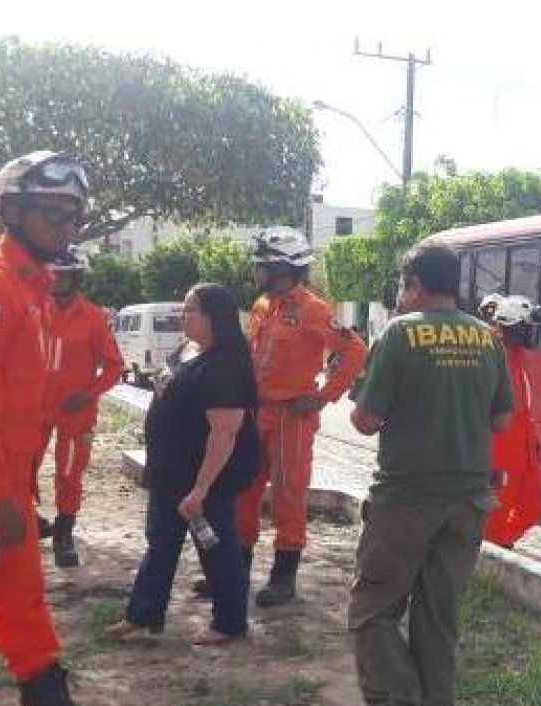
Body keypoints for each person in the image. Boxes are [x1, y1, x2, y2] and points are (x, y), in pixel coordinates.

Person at [0, 150, 133, 706]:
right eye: (53, 213)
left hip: (16, 475)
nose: (66, 228)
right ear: (12, 210)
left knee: (22, 599)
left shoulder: (33, 290)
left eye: (73, 217)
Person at [346, 243, 511, 706]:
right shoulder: (487, 338)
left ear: (415, 284)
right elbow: (502, 420)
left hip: (405, 499)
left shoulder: (399, 333)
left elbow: (365, 420)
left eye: (403, 284)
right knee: (439, 619)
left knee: (372, 609)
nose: (401, 294)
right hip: (468, 501)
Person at [109, 283, 259, 645]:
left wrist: (200, 490)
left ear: (215, 317)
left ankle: (229, 623)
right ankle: (143, 614)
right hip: (169, 472)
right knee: (160, 542)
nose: (183, 316)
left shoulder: (225, 365)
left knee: (216, 548)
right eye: (184, 308)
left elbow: (224, 434)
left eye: (191, 310)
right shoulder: (187, 348)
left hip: (205, 479)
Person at [226, 226, 367, 608]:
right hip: (256, 414)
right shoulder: (261, 306)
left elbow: (355, 351)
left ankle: (283, 578)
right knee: (243, 490)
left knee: (288, 495)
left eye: (262, 264)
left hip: (292, 418)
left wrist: (322, 397)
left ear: (283, 268)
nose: (256, 270)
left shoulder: (313, 309)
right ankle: (234, 571)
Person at [37, 246, 124, 568]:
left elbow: (114, 367)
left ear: (76, 277)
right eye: (51, 273)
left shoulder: (93, 317)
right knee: (21, 467)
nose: (54, 279)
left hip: (76, 412)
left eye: (61, 275)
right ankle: (29, 521)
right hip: (34, 408)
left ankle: (63, 534)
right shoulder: (34, 310)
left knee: (69, 473)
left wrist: (88, 394)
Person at [483, 295, 541, 549]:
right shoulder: (490, 356)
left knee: (532, 510)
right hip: (499, 452)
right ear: (514, 327)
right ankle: (493, 551)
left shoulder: (518, 357)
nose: (531, 333)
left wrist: (533, 439)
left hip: (523, 450)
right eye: (527, 327)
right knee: (496, 513)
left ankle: (500, 544)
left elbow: (523, 408)